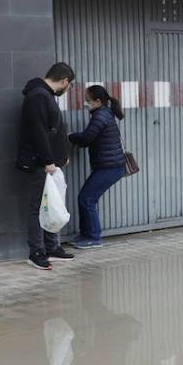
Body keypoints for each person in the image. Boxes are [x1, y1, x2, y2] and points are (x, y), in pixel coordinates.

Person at [17, 63, 76, 271]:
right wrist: (49, 160)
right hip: (41, 164)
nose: (66, 90)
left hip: (50, 163)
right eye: (68, 86)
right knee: (38, 208)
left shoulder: (45, 95)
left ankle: (52, 247)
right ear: (64, 81)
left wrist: (61, 156)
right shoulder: (38, 96)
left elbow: (54, 129)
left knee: (51, 205)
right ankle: (37, 253)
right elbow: (38, 132)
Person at [68, 85, 128, 249]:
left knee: (87, 199)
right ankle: (86, 235)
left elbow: (87, 138)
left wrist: (70, 136)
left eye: (88, 100)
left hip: (110, 167)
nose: (85, 103)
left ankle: (93, 237)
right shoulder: (103, 113)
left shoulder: (100, 115)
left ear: (98, 101)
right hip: (108, 166)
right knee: (86, 198)